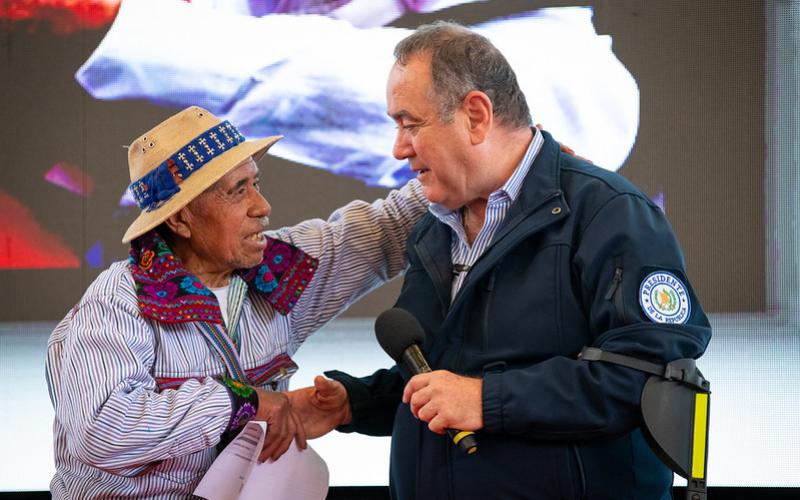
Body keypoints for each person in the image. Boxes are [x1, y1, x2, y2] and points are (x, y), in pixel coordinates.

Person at [288, 21, 712, 499]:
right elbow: (445, 378)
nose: (398, 147)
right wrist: (357, 403)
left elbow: (649, 375)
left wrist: (487, 402)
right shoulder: (434, 226)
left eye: (410, 124)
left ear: (475, 115)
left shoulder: (608, 212)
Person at [44, 105, 428, 499]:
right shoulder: (119, 303)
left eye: (256, 184)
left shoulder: (278, 270)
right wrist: (242, 402)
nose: (262, 207)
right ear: (180, 219)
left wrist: (464, 155)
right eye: (238, 191)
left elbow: (390, 226)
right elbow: (102, 432)